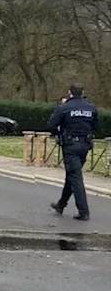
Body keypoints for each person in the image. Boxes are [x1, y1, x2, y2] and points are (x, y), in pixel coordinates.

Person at [48, 84, 99, 221]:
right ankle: (61, 204)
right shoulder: (91, 107)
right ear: (83, 92)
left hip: (70, 146)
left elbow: (51, 125)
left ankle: (84, 211)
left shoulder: (64, 108)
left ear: (70, 93)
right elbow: (96, 126)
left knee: (75, 176)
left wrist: (59, 134)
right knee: (72, 174)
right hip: (85, 145)